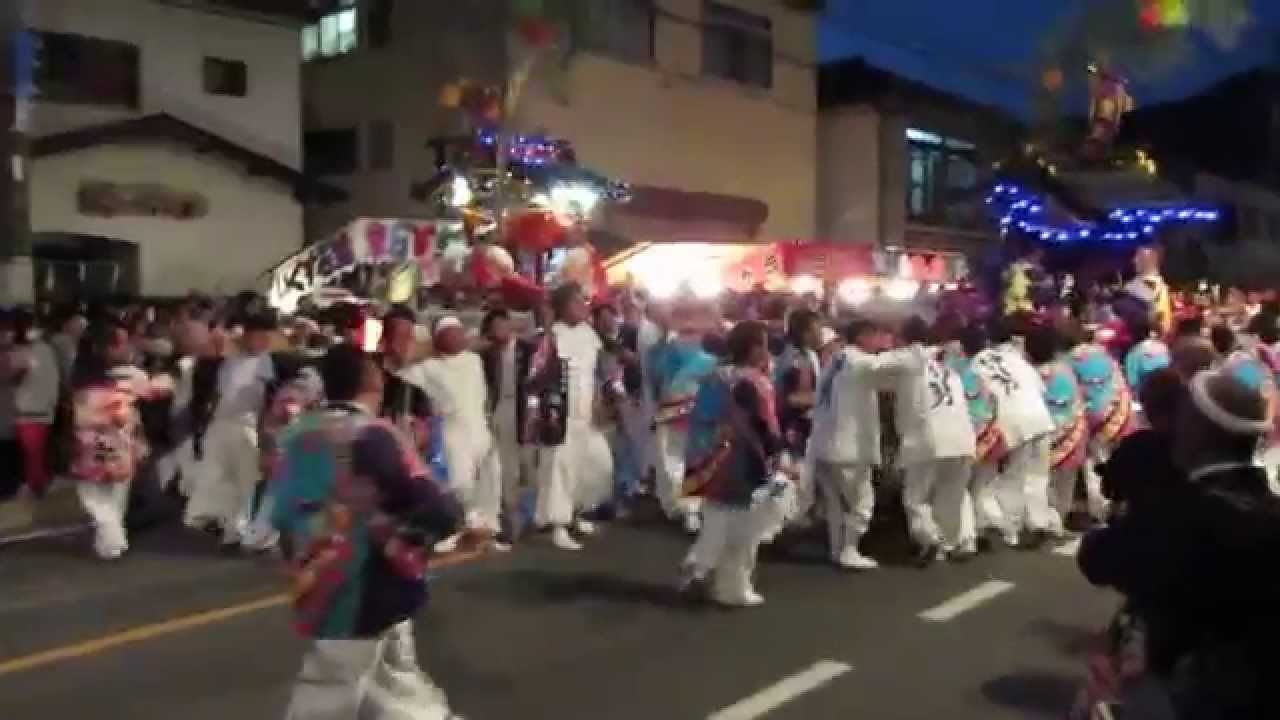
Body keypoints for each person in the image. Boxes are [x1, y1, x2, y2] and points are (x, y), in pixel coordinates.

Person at [270, 344, 472, 720]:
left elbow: (280, 510)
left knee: (389, 676)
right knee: (333, 689)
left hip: (317, 574)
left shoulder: (296, 435)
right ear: (372, 381)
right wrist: (410, 541)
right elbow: (435, 507)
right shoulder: (375, 434)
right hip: (365, 580)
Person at [1078, 359, 1280, 719]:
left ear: (1198, 433)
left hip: (1200, 694)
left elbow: (1098, 557)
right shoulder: (1268, 508)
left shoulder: (1183, 514)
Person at [679, 320, 789, 607]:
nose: (767, 351)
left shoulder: (715, 377)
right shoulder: (756, 382)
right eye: (764, 345)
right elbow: (768, 427)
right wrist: (778, 456)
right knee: (745, 530)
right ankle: (733, 586)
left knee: (716, 517)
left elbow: (699, 419)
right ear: (753, 350)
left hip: (713, 459)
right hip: (745, 461)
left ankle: (701, 565)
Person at [401, 316, 504, 552]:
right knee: (459, 483)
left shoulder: (474, 360)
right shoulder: (428, 367)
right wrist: (426, 349)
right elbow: (402, 366)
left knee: (489, 481)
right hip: (452, 429)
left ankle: (488, 532)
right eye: (451, 332)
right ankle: (456, 530)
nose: (459, 335)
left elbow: (489, 344)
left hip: (480, 426)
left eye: (459, 331)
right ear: (439, 338)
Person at [525, 283, 615, 551]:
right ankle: (558, 524)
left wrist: (600, 401)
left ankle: (576, 512)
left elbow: (596, 372)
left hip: (586, 410)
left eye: (583, 302)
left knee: (596, 464)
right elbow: (537, 376)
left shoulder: (590, 334)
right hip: (559, 411)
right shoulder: (551, 336)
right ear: (562, 307)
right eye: (576, 302)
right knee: (559, 468)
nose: (583, 307)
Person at [809, 318, 902, 570]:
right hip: (849, 446)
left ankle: (837, 549)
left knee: (835, 504)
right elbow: (891, 370)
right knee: (862, 502)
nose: (880, 341)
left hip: (824, 442)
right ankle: (849, 550)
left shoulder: (835, 360)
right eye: (876, 335)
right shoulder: (858, 361)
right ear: (862, 336)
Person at [67, 318, 160, 559]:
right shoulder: (128, 380)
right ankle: (111, 542)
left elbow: (82, 417)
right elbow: (128, 414)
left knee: (95, 497)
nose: (127, 348)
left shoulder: (81, 381)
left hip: (91, 448)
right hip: (118, 446)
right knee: (114, 497)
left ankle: (111, 540)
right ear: (106, 348)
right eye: (121, 343)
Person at [894, 316, 978, 565]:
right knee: (953, 494)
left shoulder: (906, 361)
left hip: (927, 437)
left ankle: (930, 538)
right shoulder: (947, 363)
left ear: (903, 339)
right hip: (962, 436)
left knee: (916, 498)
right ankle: (961, 541)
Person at [970, 318, 1056, 547]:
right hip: (1041, 418)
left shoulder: (978, 361)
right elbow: (1040, 389)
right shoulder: (1020, 360)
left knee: (1011, 479)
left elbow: (982, 395)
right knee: (1037, 477)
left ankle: (1009, 530)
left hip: (1012, 421)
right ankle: (1038, 522)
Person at [202, 309, 279, 551]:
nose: (262, 341)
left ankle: (242, 531)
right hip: (222, 426)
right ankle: (232, 529)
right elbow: (218, 395)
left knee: (247, 482)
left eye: (265, 336)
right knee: (227, 480)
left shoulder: (268, 363)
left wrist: (265, 432)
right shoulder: (230, 363)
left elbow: (270, 399)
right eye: (256, 335)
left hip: (250, 427)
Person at [648, 298, 717, 533]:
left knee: (687, 461)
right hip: (676, 410)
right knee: (675, 461)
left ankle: (689, 508)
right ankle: (684, 507)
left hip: (693, 411)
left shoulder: (707, 352)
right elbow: (656, 376)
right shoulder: (666, 348)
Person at [1025, 323, 1087, 538]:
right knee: (1064, 483)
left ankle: (1046, 521)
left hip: (1043, 435)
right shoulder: (1066, 370)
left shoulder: (1030, 374)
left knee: (1040, 480)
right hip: (1071, 434)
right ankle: (1057, 519)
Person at [480, 308, 535, 540]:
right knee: (506, 466)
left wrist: (533, 414)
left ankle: (532, 513)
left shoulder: (528, 350)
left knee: (530, 465)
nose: (498, 331)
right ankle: (512, 520)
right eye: (493, 329)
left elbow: (537, 383)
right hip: (501, 408)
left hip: (527, 408)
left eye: (501, 325)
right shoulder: (487, 355)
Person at [7, 309, 61, 498]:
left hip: (29, 413)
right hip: (44, 411)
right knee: (36, 457)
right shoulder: (46, 349)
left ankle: (37, 492)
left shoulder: (23, 352)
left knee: (33, 459)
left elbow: (12, 375)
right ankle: (41, 490)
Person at [1122, 314, 1171, 393]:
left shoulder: (1133, 355)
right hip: (1168, 394)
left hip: (1146, 398)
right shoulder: (1164, 348)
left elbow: (1132, 384)